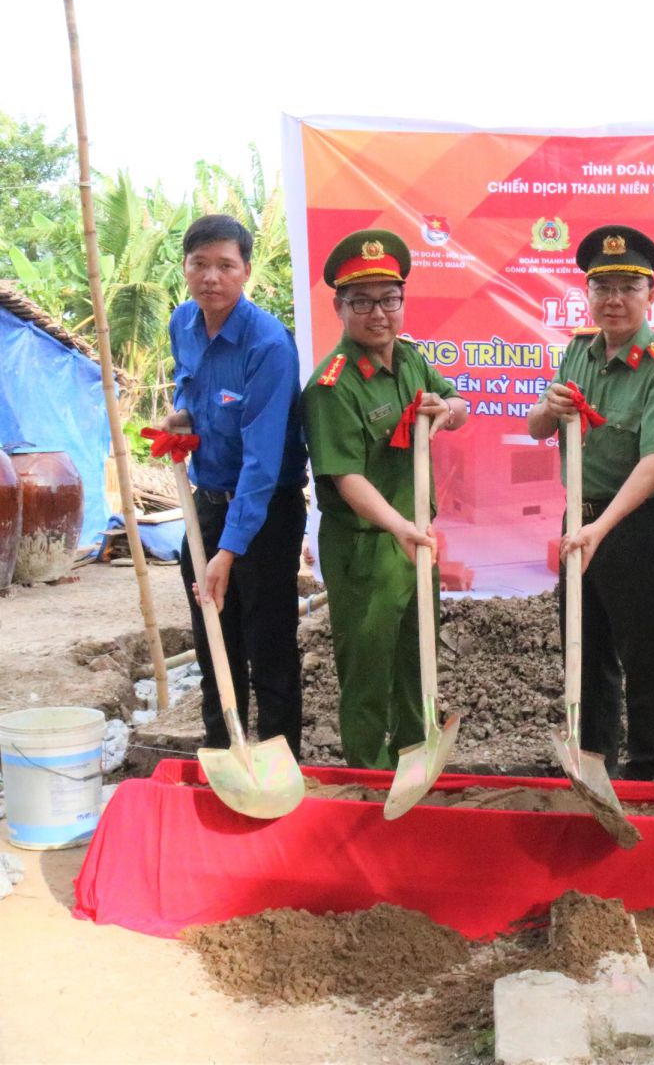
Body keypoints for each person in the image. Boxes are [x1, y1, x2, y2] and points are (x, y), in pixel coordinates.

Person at [527, 225, 654, 781]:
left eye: (628, 287)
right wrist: (549, 408)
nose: (614, 300)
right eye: (602, 287)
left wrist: (600, 530)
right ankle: (593, 764)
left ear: (651, 295)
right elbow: (537, 428)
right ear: (588, 294)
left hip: (635, 527)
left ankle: (651, 772)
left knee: (645, 656)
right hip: (579, 518)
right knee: (585, 647)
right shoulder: (578, 351)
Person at [301, 229, 470, 769]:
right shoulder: (332, 386)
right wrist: (400, 529)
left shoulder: (411, 360)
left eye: (389, 300)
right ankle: (369, 776)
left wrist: (447, 410)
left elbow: (457, 402)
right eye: (362, 302)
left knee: (418, 659)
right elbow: (346, 478)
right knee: (368, 670)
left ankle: (415, 760)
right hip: (367, 548)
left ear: (402, 302)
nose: (378, 314)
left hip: (416, 539)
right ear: (339, 307)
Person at [165, 214, 309, 757]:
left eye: (225, 265)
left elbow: (262, 461)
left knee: (268, 643)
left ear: (246, 270)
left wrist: (228, 552)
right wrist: (182, 414)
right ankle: (222, 755)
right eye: (199, 264)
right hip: (206, 505)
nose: (211, 277)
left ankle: (278, 761)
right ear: (185, 268)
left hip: (266, 511)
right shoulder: (183, 322)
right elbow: (188, 386)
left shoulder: (268, 344)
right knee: (212, 639)